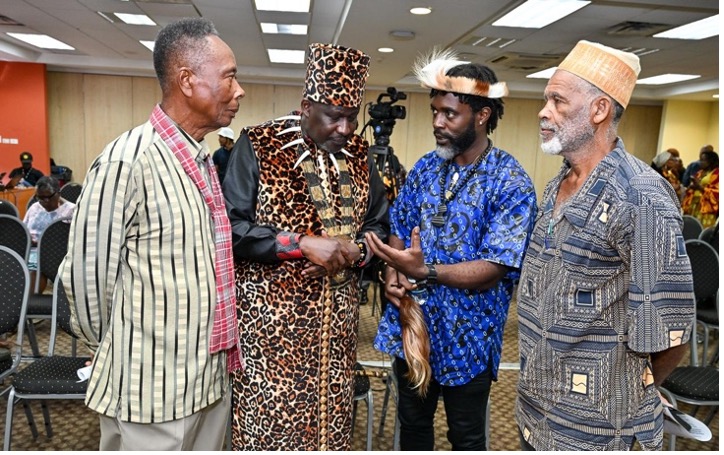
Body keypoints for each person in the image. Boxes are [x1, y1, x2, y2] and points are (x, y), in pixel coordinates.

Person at [58, 18, 244, 451]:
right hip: (152, 395)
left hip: (207, 383)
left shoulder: (198, 160)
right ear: (187, 80)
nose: (239, 91)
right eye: (230, 77)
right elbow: (87, 282)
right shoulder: (128, 161)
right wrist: (121, 352)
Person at [515, 40, 695, 451]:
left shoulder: (642, 196)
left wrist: (635, 393)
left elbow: (673, 332)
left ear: (598, 110)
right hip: (535, 416)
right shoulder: (556, 185)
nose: (544, 112)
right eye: (546, 100)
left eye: (558, 101)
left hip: (594, 432)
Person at [365, 50, 537, 450]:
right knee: (413, 426)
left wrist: (425, 271)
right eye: (435, 112)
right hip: (414, 325)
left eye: (450, 114)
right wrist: (394, 275)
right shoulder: (426, 167)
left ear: (482, 115)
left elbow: (496, 265)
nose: (438, 123)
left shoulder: (510, 181)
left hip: (470, 335)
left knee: (466, 434)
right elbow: (401, 226)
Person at [223, 43, 389, 451]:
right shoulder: (258, 145)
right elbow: (230, 226)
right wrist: (298, 244)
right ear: (305, 106)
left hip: (337, 336)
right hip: (271, 336)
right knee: (270, 436)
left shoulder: (361, 157)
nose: (345, 129)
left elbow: (379, 227)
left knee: (330, 432)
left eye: (352, 117)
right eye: (334, 116)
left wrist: (353, 252)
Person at [23, 175, 75, 293]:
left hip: (58, 251)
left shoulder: (71, 211)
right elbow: (24, 231)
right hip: (33, 250)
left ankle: (30, 300)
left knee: (37, 266)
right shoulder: (35, 208)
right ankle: (22, 302)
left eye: (48, 197)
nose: (44, 201)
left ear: (58, 193)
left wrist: (46, 243)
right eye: (40, 197)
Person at [682, 149, 719, 228]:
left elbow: (717, 192)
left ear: (710, 161)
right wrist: (692, 186)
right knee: (692, 228)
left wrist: (700, 187)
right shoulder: (700, 172)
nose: (700, 162)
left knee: (702, 228)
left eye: (703, 160)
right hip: (694, 204)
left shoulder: (717, 174)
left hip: (706, 207)